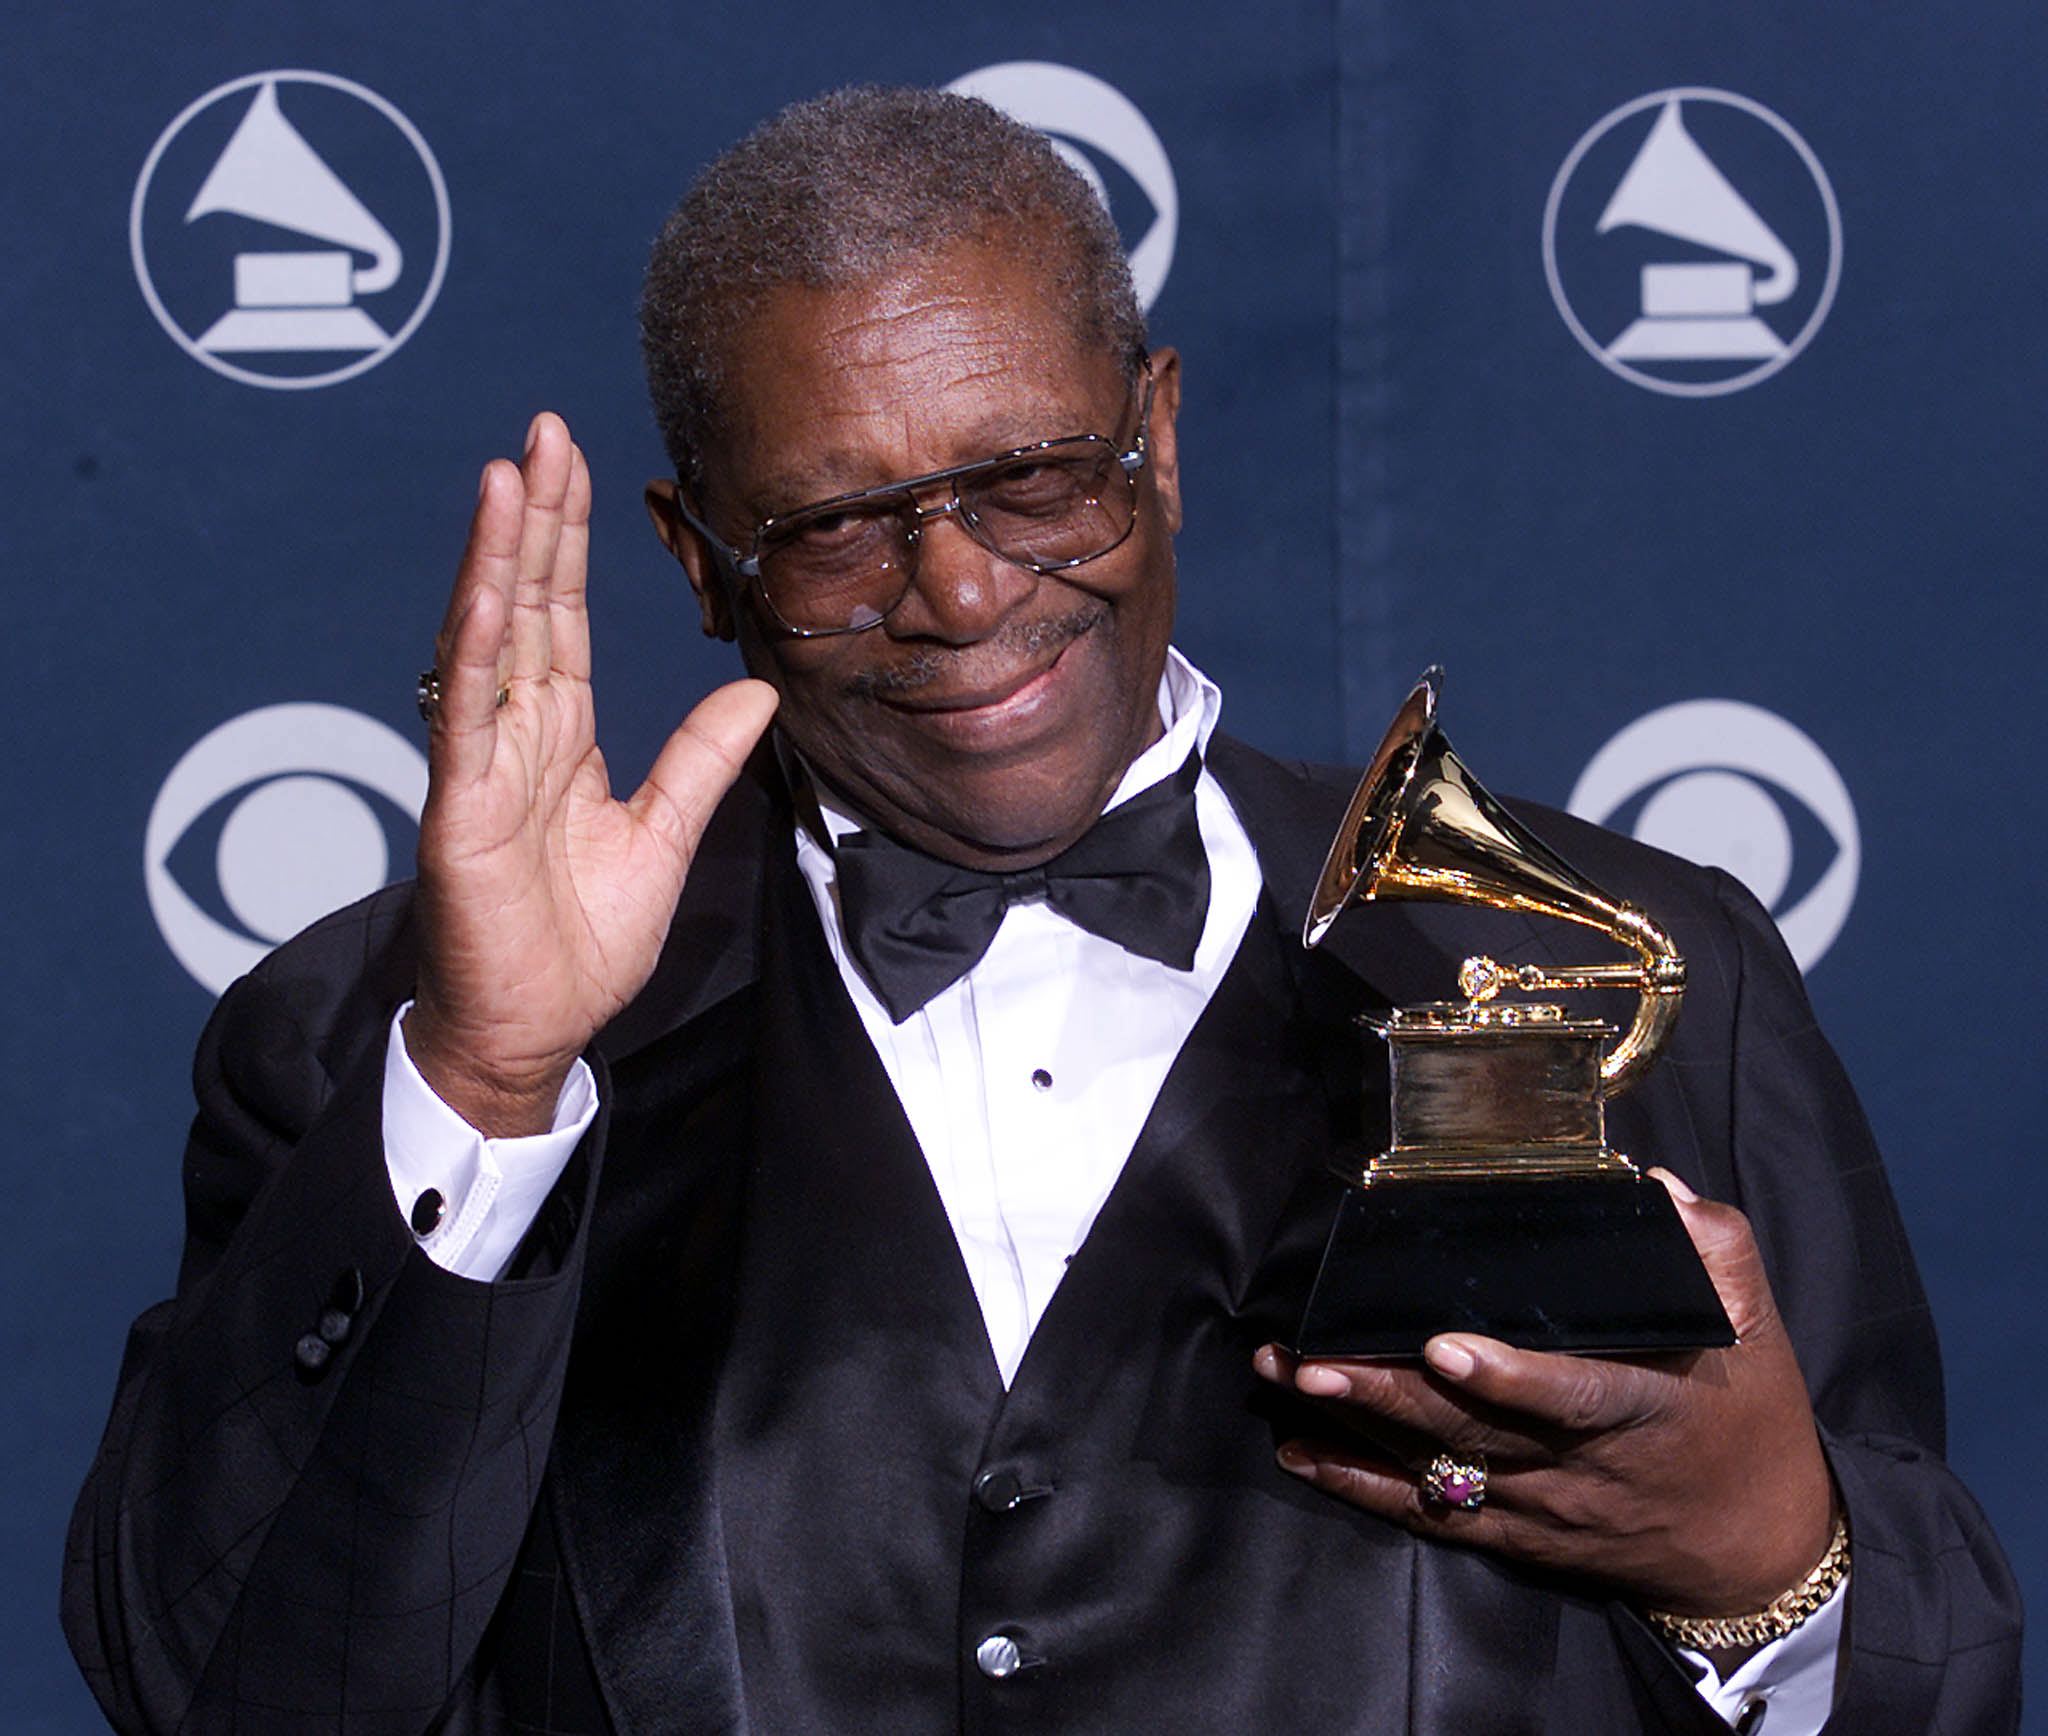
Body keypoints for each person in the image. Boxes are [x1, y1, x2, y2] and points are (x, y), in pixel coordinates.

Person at [65, 86, 2018, 1735]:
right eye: (834, 526)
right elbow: (215, 1680)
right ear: (695, 556)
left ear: (1155, 435)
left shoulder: (1626, 969)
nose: (963, 595)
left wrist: (1770, 1564)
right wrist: (492, 1085)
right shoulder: (377, 1046)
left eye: (1034, 479)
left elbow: (1943, 1677)